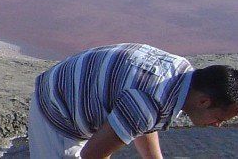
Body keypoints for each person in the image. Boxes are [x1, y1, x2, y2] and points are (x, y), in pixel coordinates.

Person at [29, 43, 238, 158]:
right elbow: (91, 155)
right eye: (220, 118)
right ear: (204, 102)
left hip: (74, 88)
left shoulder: (181, 71)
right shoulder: (150, 102)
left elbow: (143, 120)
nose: (218, 125)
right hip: (56, 108)